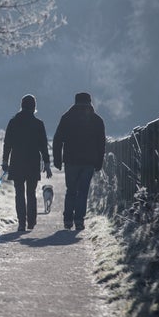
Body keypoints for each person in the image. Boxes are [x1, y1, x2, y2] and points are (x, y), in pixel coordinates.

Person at [52, 92, 106, 230]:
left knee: (71, 190)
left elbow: (57, 140)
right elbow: (101, 144)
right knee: (83, 192)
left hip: (71, 161)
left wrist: (57, 160)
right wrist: (99, 162)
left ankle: (68, 220)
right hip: (89, 161)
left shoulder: (66, 118)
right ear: (90, 102)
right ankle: (79, 220)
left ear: (75, 102)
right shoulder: (97, 120)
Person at [2, 94, 52, 231]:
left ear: (21, 105)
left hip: (17, 162)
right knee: (31, 193)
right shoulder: (38, 124)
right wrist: (47, 164)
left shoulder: (13, 122)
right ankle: (31, 221)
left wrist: (5, 160)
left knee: (19, 193)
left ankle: (21, 223)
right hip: (32, 163)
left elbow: (7, 144)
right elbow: (43, 146)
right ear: (34, 107)